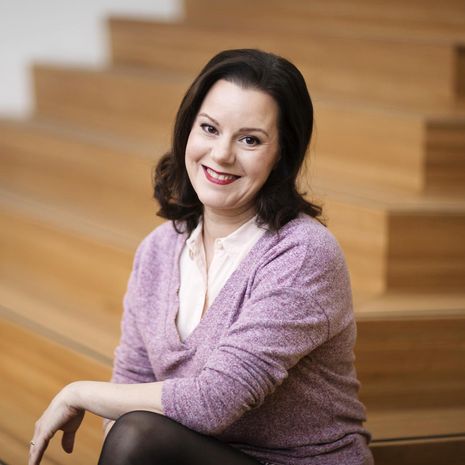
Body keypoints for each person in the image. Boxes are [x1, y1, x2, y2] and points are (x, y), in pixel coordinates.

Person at [29, 49, 373, 465]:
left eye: (250, 139)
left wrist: (77, 392)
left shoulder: (302, 255)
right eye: (209, 128)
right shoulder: (157, 250)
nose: (222, 154)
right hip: (191, 456)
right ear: (187, 131)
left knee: (137, 436)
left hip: (296, 461)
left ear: (282, 154)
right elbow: (132, 381)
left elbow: (213, 402)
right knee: (133, 434)